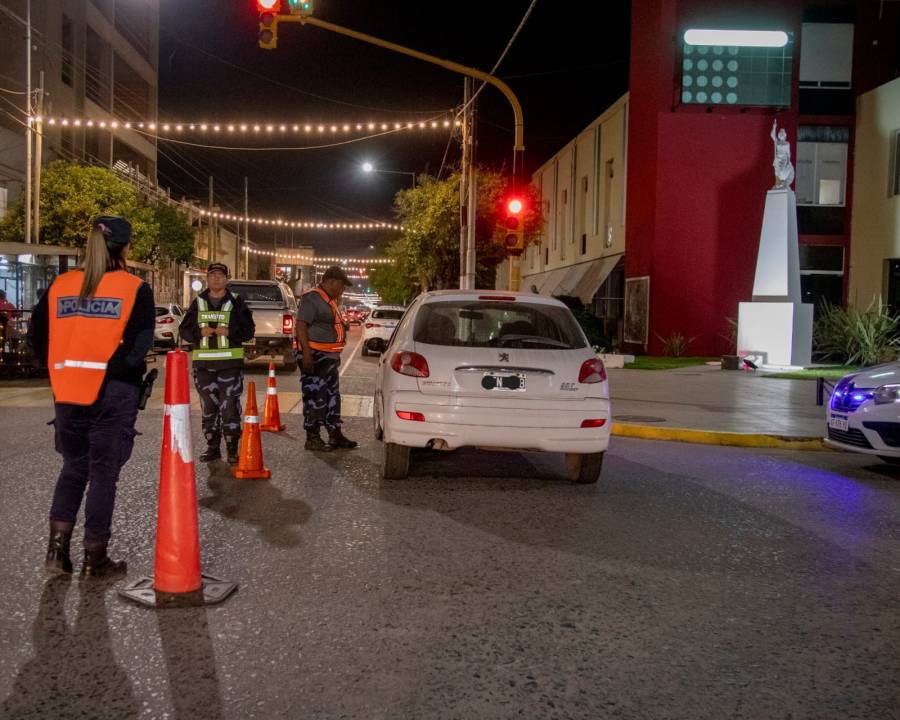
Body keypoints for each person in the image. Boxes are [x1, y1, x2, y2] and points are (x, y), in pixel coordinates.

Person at [27, 216, 155, 579]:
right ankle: (95, 556)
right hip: (112, 393)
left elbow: (37, 339)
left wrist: (63, 369)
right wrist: (116, 373)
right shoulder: (134, 288)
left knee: (73, 469)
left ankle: (56, 553)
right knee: (102, 474)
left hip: (68, 391)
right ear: (126, 248)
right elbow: (139, 346)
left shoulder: (61, 285)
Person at [179, 263, 255, 464]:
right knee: (208, 408)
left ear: (226, 279)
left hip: (229, 366)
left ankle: (232, 448)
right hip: (204, 367)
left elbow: (249, 331)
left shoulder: (237, 302)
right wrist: (198, 333)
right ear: (207, 279)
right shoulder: (198, 302)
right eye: (212, 275)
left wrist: (230, 332)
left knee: (229, 408)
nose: (216, 278)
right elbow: (184, 330)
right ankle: (212, 447)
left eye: (220, 275)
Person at [295, 266, 357, 452]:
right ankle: (312, 437)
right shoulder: (312, 298)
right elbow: (301, 326)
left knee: (332, 396)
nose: (343, 289)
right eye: (342, 285)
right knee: (315, 397)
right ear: (331, 281)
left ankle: (335, 434)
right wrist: (307, 354)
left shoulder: (330, 299)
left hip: (328, 358)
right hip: (315, 356)